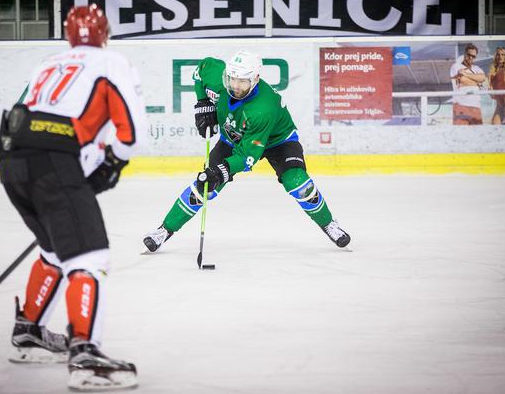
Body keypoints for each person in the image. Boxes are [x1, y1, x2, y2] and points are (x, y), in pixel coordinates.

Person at [0, 4, 145, 391]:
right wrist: (114, 162)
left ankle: (29, 331)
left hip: (12, 159)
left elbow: (27, 112)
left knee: (54, 249)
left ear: (68, 35)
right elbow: (131, 130)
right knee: (89, 256)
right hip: (53, 162)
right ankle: (86, 357)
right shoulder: (111, 62)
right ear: (105, 34)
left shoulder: (48, 64)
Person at [143, 51, 350, 253]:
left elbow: (246, 157)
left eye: (242, 81)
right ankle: (164, 230)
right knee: (204, 186)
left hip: (278, 140)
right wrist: (203, 103)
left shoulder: (262, 109)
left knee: (298, 183)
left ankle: (328, 223)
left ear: (256, 78)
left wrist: (220, 171)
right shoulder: (221, 80)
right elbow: (201, 70)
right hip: (233, 137)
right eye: (232, 79)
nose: (235, 85)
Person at [449, 43, 487, 125]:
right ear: (465, 54)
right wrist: (476, 81)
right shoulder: (456, 66)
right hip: (460, 105)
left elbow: (483, 78)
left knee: (478, 135)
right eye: (469, 55)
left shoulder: (477, 68)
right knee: (460, 135)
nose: (470, 58)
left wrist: (465, 74)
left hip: (475, 106)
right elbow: (463, 80)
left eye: (473, 56)